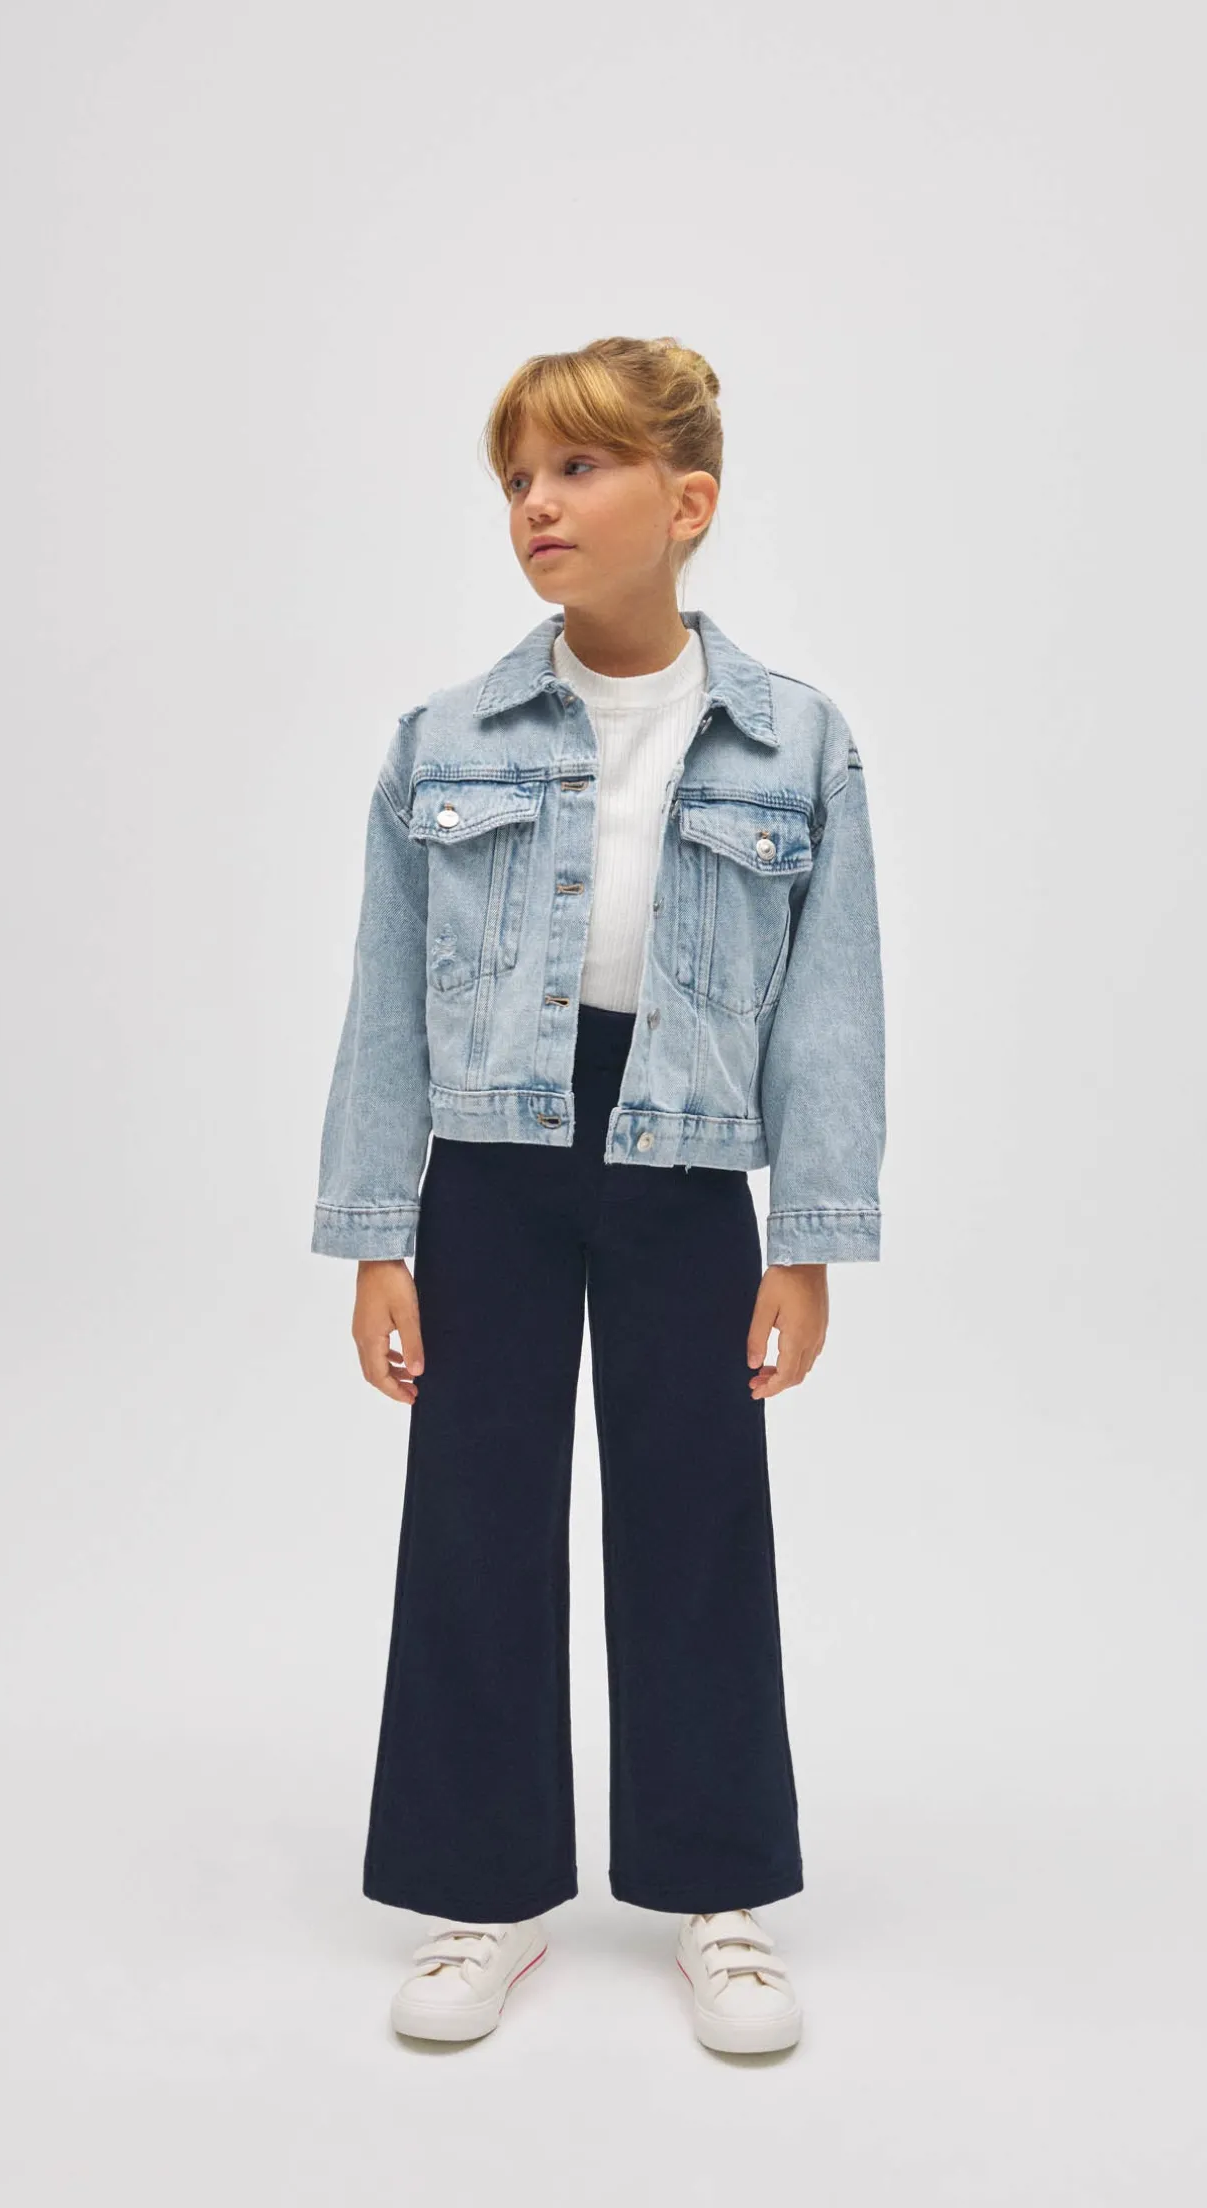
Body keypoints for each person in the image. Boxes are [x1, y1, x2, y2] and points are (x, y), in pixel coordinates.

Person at [310, 335, 887, 2056]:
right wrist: (377, 1234)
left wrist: (810, 1239)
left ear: (686, 502)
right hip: (490, 1166)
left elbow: (832, 1008)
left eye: (577, 469)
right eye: (517, 479)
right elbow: (384, 999)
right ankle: (481, 1890)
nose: (537, 506)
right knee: (474, 1515)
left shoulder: (794, 741)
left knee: (698, 1519)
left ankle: (719, 1890)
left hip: (685, 1164)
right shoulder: (444, 737)